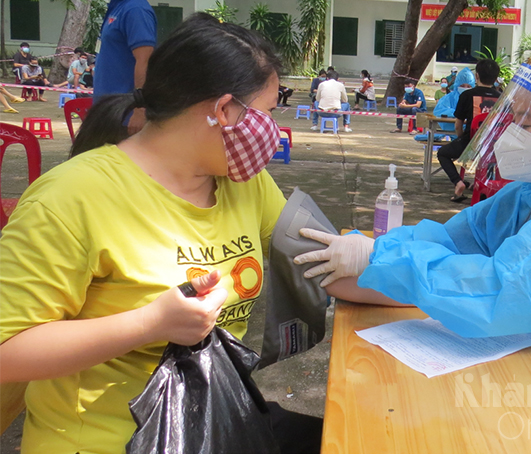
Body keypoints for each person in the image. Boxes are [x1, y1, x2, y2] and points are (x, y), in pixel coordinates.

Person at [294, 59, 531, 454]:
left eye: (527, 126)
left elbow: (500, 290)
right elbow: (454, 241)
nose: (512, 134)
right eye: (512, 118)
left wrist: (377, 259)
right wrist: (369, 252)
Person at [0, 14, 322, 454]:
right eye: (267, 110)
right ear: (224, 110)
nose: (271, 125)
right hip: (105, 440)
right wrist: (149, 324)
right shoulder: (70, 200)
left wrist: (383, 262)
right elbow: (7, 351)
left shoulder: (243, 182)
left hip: (212, 422)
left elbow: (313, 254)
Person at [437, 59, 500, 201]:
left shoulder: (466, 95)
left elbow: (458, 125)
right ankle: (486, 187)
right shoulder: (501, 98)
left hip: (470, 142)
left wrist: (461, 139)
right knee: (492, 159)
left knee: (443, 153)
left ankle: (458, 182)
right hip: (493, 146)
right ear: (496, 79)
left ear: (476, 76)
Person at [94, 0, 157, 135]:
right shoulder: (117, 7)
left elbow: (145, 61)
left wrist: (140, 109)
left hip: (124, 115)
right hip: (107, 112)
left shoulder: (136, 9)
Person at [432, 67, 476, 134]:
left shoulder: (475, 98)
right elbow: (439, 110)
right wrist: (456, 113)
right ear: (457, 85)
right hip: (451, 131)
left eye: (468, 86)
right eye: (462, 85)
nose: (465, 88)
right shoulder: (449, 97)